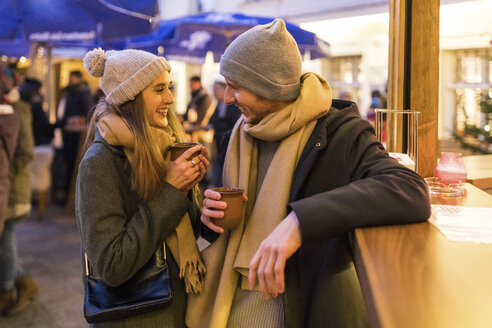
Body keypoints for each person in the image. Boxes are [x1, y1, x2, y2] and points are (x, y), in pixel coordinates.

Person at [187, 18, 431, 328]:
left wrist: (300, 221)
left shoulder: (342, 132)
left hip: (299, 305)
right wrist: (210, 220)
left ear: (268, 86)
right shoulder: (239, 134)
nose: (227, 98)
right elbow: (223, 237)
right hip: (226, 300)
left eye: (236, 87)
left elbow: (410, 190)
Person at [76, 48, 209, 327]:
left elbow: (186, 230)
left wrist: (192, 192)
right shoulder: (100, 162)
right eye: (159, 90)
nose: (170, 99)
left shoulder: (162, 146)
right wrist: (171, 189)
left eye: (169, 88)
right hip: (137, 317)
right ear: (131, 97)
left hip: (179, 309)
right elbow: (112, 266)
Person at [0, 65, 38, 317]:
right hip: (7, 185)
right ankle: (22, 283)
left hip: (13, 188)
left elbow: (26, 153)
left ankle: (11, 288)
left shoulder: (19, 109)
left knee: (6, 242)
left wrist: (6, 174)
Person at [57, 70, 91, 202]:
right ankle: (66, 195)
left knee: (72, 165)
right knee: (67, 164)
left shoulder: (83, 94)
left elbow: (88, 113)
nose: (70, 81)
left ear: (78, 79)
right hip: (68, 133)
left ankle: (69, 197)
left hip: (76, 136)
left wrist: (76, 119)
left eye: (72, 78)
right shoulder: (70, 92)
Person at [208, 78, 241, 187]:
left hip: (228, 144)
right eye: (213, 89)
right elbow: (212, 121)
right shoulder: (218, 105)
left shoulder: (234, 105)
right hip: (218, 143)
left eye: (217, 89)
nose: (214, 92)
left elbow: (234, 124)